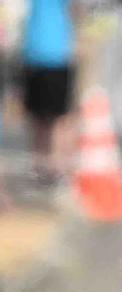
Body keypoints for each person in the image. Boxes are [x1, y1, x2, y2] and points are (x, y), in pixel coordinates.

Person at [21, 0, 76, 183]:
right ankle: (40, 164)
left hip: (57, 57)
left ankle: (58, 165)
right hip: (32, 56)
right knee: (37, 117)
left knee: (59, 117)